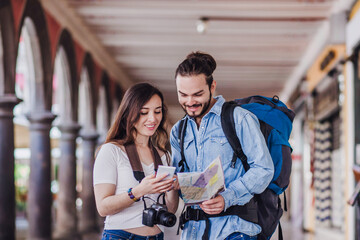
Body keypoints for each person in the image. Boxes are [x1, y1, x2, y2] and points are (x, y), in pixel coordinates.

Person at [170, 52, 274, 240]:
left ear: (212, 86)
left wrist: (228, 197)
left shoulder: (239, 119)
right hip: (192, 232)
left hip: (234, 230)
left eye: (198, 94)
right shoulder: (178, 131)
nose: (190, 102)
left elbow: (264, 168)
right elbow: (180, 183)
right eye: (183, 95)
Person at [94, 82, 179, 240]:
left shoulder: (163, 156)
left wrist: (172, 187)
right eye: (144, 112)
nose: (152, 118)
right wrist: (139, 191)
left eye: (157, 111)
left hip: (156, 236)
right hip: (121, 236)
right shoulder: (112, 151)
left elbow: (171, 209)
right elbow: (103, 208)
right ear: (129, 114)